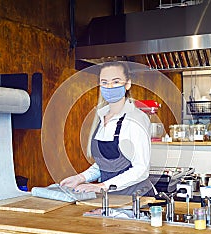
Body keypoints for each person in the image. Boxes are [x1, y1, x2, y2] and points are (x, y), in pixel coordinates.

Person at [60, 61, 152, 195]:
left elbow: (141, 169)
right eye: (104, 82)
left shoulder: (135, 119)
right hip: (111, 197)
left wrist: (103, 186)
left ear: (127, 84)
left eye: (115, 82)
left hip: (136, 199)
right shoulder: (102, 116)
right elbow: (107, 163)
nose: (109, 87)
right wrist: (81, 178)